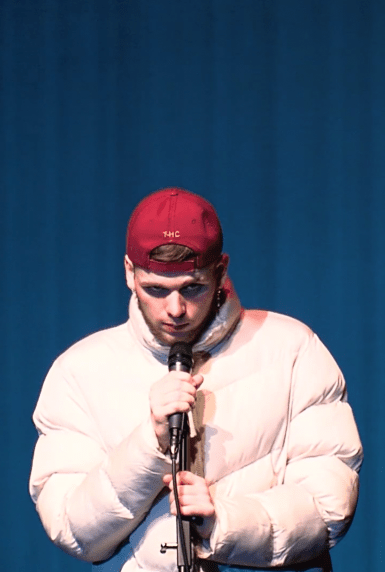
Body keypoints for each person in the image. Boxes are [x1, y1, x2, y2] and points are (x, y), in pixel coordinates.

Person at [28, 187, 362, 571]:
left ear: (221, 271)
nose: (175, 309)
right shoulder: (79, 371)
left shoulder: (292, 350)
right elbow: (72, 528)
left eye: (193, 288)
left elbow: (328, 508)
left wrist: (225, 521)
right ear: (129, 273)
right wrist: (147, 445)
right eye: (156, 289)